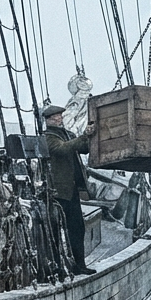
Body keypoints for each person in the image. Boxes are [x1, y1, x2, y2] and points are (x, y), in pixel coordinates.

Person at [42, 104, 97, 275]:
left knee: (77, 227)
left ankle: (79, 264)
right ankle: (57, 267)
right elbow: (62, 148)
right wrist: (83, 136)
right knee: (56, 231)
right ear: (48, 120)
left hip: (71, 190)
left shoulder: (67, 134)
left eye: (60, 116)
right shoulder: (47, 137)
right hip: (57, 191)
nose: (60, 119)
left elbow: (83, 147)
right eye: (56, 117)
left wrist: (91, 135)